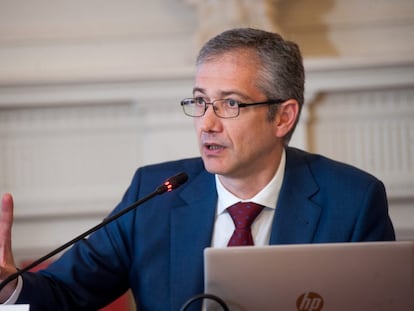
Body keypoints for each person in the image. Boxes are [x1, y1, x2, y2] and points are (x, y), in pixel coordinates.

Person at [0, 28, 395, 310]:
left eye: (230, 104)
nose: (207, 123)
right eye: (200, 101)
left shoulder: (352, 201)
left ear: (283, 117)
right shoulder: (153, 193)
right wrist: (8, 289)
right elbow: (62, 295)